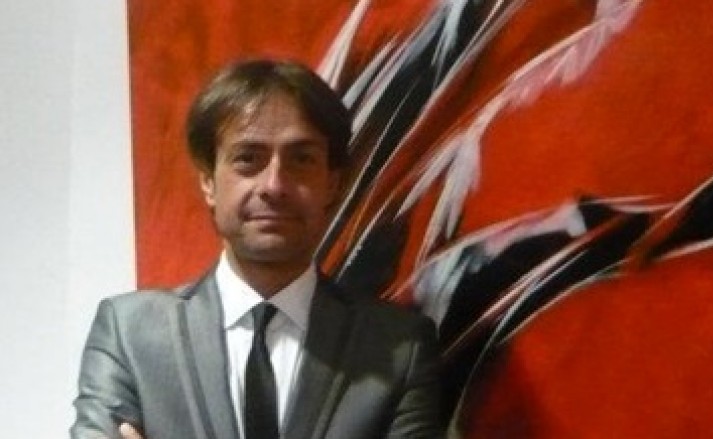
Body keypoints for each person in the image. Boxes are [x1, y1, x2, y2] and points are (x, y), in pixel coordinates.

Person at [71, 59, 443, 439]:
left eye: (301, 159)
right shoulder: (130, 334)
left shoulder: (398, 348)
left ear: (332, 184)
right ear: (208, 181)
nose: (274, 185)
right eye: (248, 159)